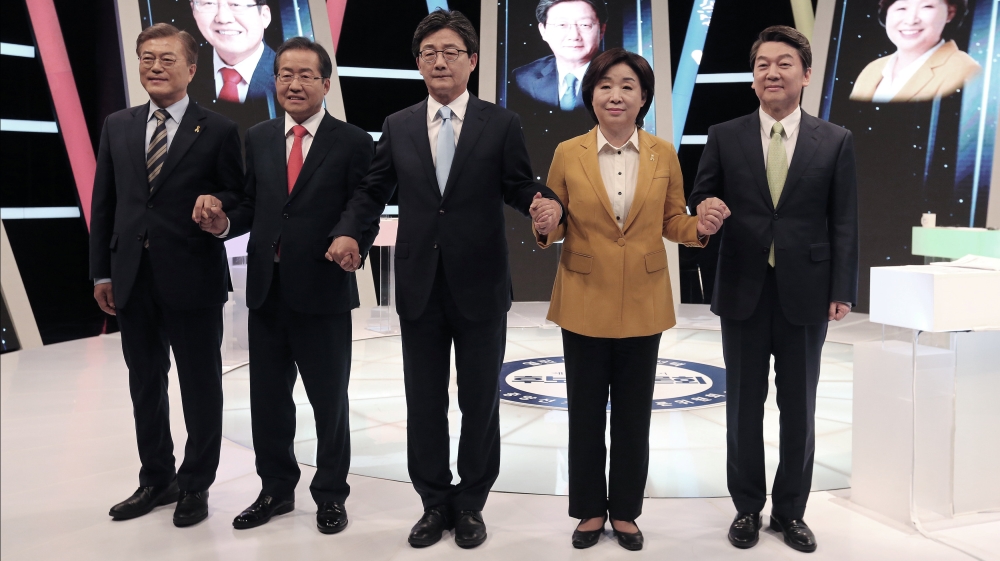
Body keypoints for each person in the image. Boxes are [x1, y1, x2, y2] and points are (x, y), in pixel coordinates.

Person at [326, 9, 564, 550]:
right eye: (429, 53)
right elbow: (372, 190)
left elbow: (517, 182)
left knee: (480, 402)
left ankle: (472, 502)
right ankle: (434, 502)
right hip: (420, 285)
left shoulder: (500, 123)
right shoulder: (399, 124)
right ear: (418, 63)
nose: (440, 61)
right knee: (425, 401)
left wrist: (541, 203)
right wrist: (348, 232)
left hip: (481, 283)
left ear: (472, 60)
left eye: (451, 52)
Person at [531, 47, 725, 551]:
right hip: (583, 297)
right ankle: (590, 509)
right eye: (605, 86)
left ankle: (625, 512)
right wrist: (545, 223)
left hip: (644, 300)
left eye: (627, 87)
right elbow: (554, 220)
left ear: (643, 98)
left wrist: (699, 228)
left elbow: (672, 221)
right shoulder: (567, 152)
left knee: (634, 416)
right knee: (585, 414)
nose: (615, 95)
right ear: (591, 95)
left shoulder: (664, 153)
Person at [194, 37, 377, 534]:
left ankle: (331, 495)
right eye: (284, 75)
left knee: (329, 403)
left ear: (325, 83)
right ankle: (275, 489)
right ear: (274, 81)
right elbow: (252, 205)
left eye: (305, 75)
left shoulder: (354, 141)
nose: (293, 84)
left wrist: (353, 241)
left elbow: (365, 206)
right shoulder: (259, 137)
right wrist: (224, 224)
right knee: (268, 401)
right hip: (266, 291)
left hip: (323, 290)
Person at [689, 26, 859, 553]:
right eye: (762, 64)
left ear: (805, 75)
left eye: (784, 63)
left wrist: (842, 288)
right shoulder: (725, 134)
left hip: (807, 290)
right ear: (753, 77)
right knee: (743, 405)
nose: (772, 72)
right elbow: (702, 194)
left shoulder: (835, 139)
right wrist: (704, 207)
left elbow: (844, 221)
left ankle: (790, 512)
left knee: (799, 407)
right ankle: (746, 507)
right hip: (743, 286)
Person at [89, 23, 244, 527]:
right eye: (147, 58)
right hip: (132, 277)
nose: (155, 67)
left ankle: (196, 484)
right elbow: (105, 203)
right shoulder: (118, 125)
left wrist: (219, 205)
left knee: (200, 386)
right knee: (145, 385)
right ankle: (156, 479)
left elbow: (239, 196)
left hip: (193, 277)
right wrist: (101, 273)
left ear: (192, 69)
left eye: (167, 59)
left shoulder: (218, 129)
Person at [850, 0, 980, 102]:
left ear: (950, 13)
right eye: (902, 8)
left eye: (926, 6)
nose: (911, 20)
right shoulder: (872, 69)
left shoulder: (964, 70)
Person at [188, 0, 278, 119]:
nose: (223, 18)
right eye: (209, 3)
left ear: (264, 16)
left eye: (236, 4)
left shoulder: (290, 79)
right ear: (194, 10)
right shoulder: (184, 75)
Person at [511, 0, 607, 111]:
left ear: (601, 30)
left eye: (584, 25)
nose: (574, 36)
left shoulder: (622, 74)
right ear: (543, 31)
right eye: (562, 25)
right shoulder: (523, 78)